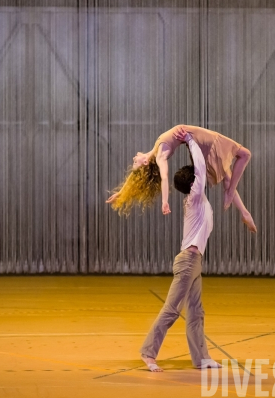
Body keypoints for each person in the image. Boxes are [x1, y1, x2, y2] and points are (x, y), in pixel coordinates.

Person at [139, 128, 222, 372]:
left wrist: (190, 144)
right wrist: (190, 140)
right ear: (194, 182)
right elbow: (199, 165)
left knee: (196, 312)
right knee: (172, 310)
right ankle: (148, 353)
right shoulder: (196, 196)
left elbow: (199, 167)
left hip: (195, 263)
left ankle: (201, 358)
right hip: (188, 262)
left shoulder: (197, 199)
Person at [106, 124, 257, 233]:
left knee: (228, 176)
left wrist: (122, 192)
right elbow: (164, 177)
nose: (134, 157)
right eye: (135, 162)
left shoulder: (156, 148)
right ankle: (234, 199)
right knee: (244, 156)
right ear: (145, 162)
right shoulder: (160, 156)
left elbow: (134, 176)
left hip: (199, 140)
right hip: (204, 142)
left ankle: (244, 212)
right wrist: (165, 201)